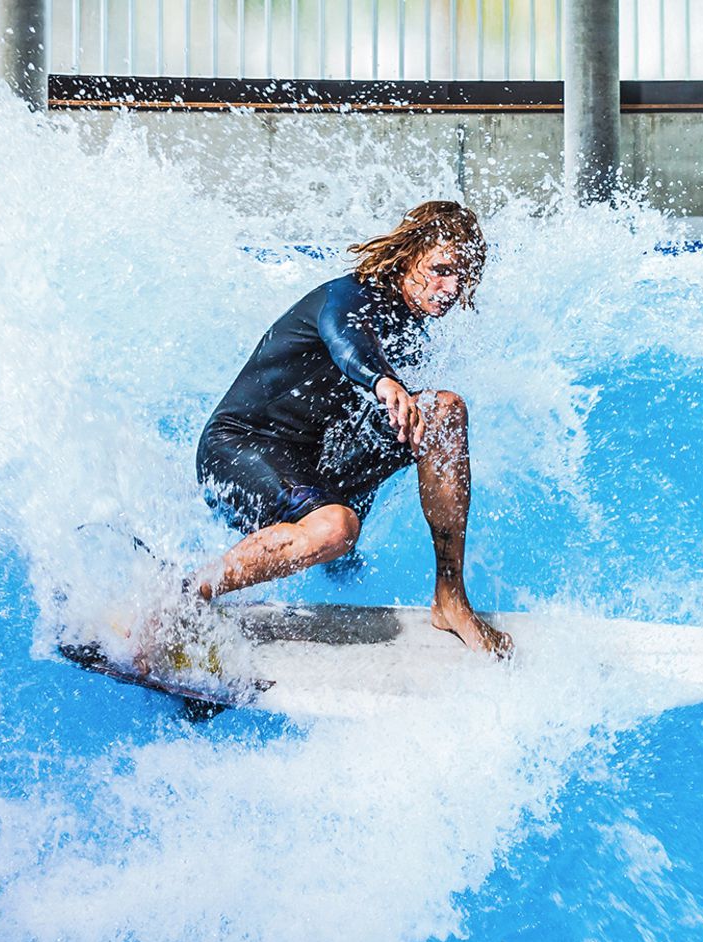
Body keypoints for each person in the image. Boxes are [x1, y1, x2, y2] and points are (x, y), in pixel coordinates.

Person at [188, 201, 513, 658]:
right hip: (241, 448)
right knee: (336, 529)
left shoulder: (411, 328)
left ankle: (450, 598)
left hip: (312, 464)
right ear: (409, 257)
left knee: (444, 413)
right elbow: (345, 335)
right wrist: (382, 380)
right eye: (441, 271)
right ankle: (183, 595)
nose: (451, 289)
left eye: (462, 278)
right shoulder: (351, 294)